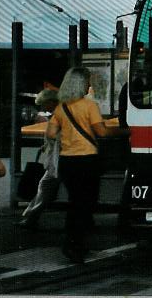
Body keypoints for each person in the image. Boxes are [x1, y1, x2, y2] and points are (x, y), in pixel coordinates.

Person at [46, 67, 128, 264]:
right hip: (87, 160)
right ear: (81, 84)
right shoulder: (89, 106)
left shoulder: (61, 108)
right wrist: (125, 132)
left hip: (67, 161)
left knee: (75, 202)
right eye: (87, 81)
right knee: (86, 204)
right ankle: (76, 245)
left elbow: (50, 134)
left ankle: (72, 243)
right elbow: (102, 133)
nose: (90, 85)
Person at [19, 89, 62, 229]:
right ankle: (30, 217)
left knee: (44, 187)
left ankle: (30, 217)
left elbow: (58, 137)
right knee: (45, 188)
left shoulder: (59, 116)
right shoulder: (59, 114)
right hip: (58, 159)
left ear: (51, 102)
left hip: (58, 160)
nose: (43, 108)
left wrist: (49, 143)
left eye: (44, 104)